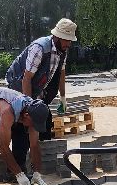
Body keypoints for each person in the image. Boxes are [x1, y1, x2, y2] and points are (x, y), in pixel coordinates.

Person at [4, 18, 77, 169]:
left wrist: (63, 98)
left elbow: (61, 74)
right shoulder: (40, 48)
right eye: (67, 40)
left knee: (45, 119)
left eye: (70, 40)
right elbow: (26, 79)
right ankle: (16, 170)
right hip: (18, 86)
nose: (69, 44)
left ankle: (41, 165)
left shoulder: (63, 51)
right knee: (21, 127)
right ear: (57, 37)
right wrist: (28, 107)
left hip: (35, 88)